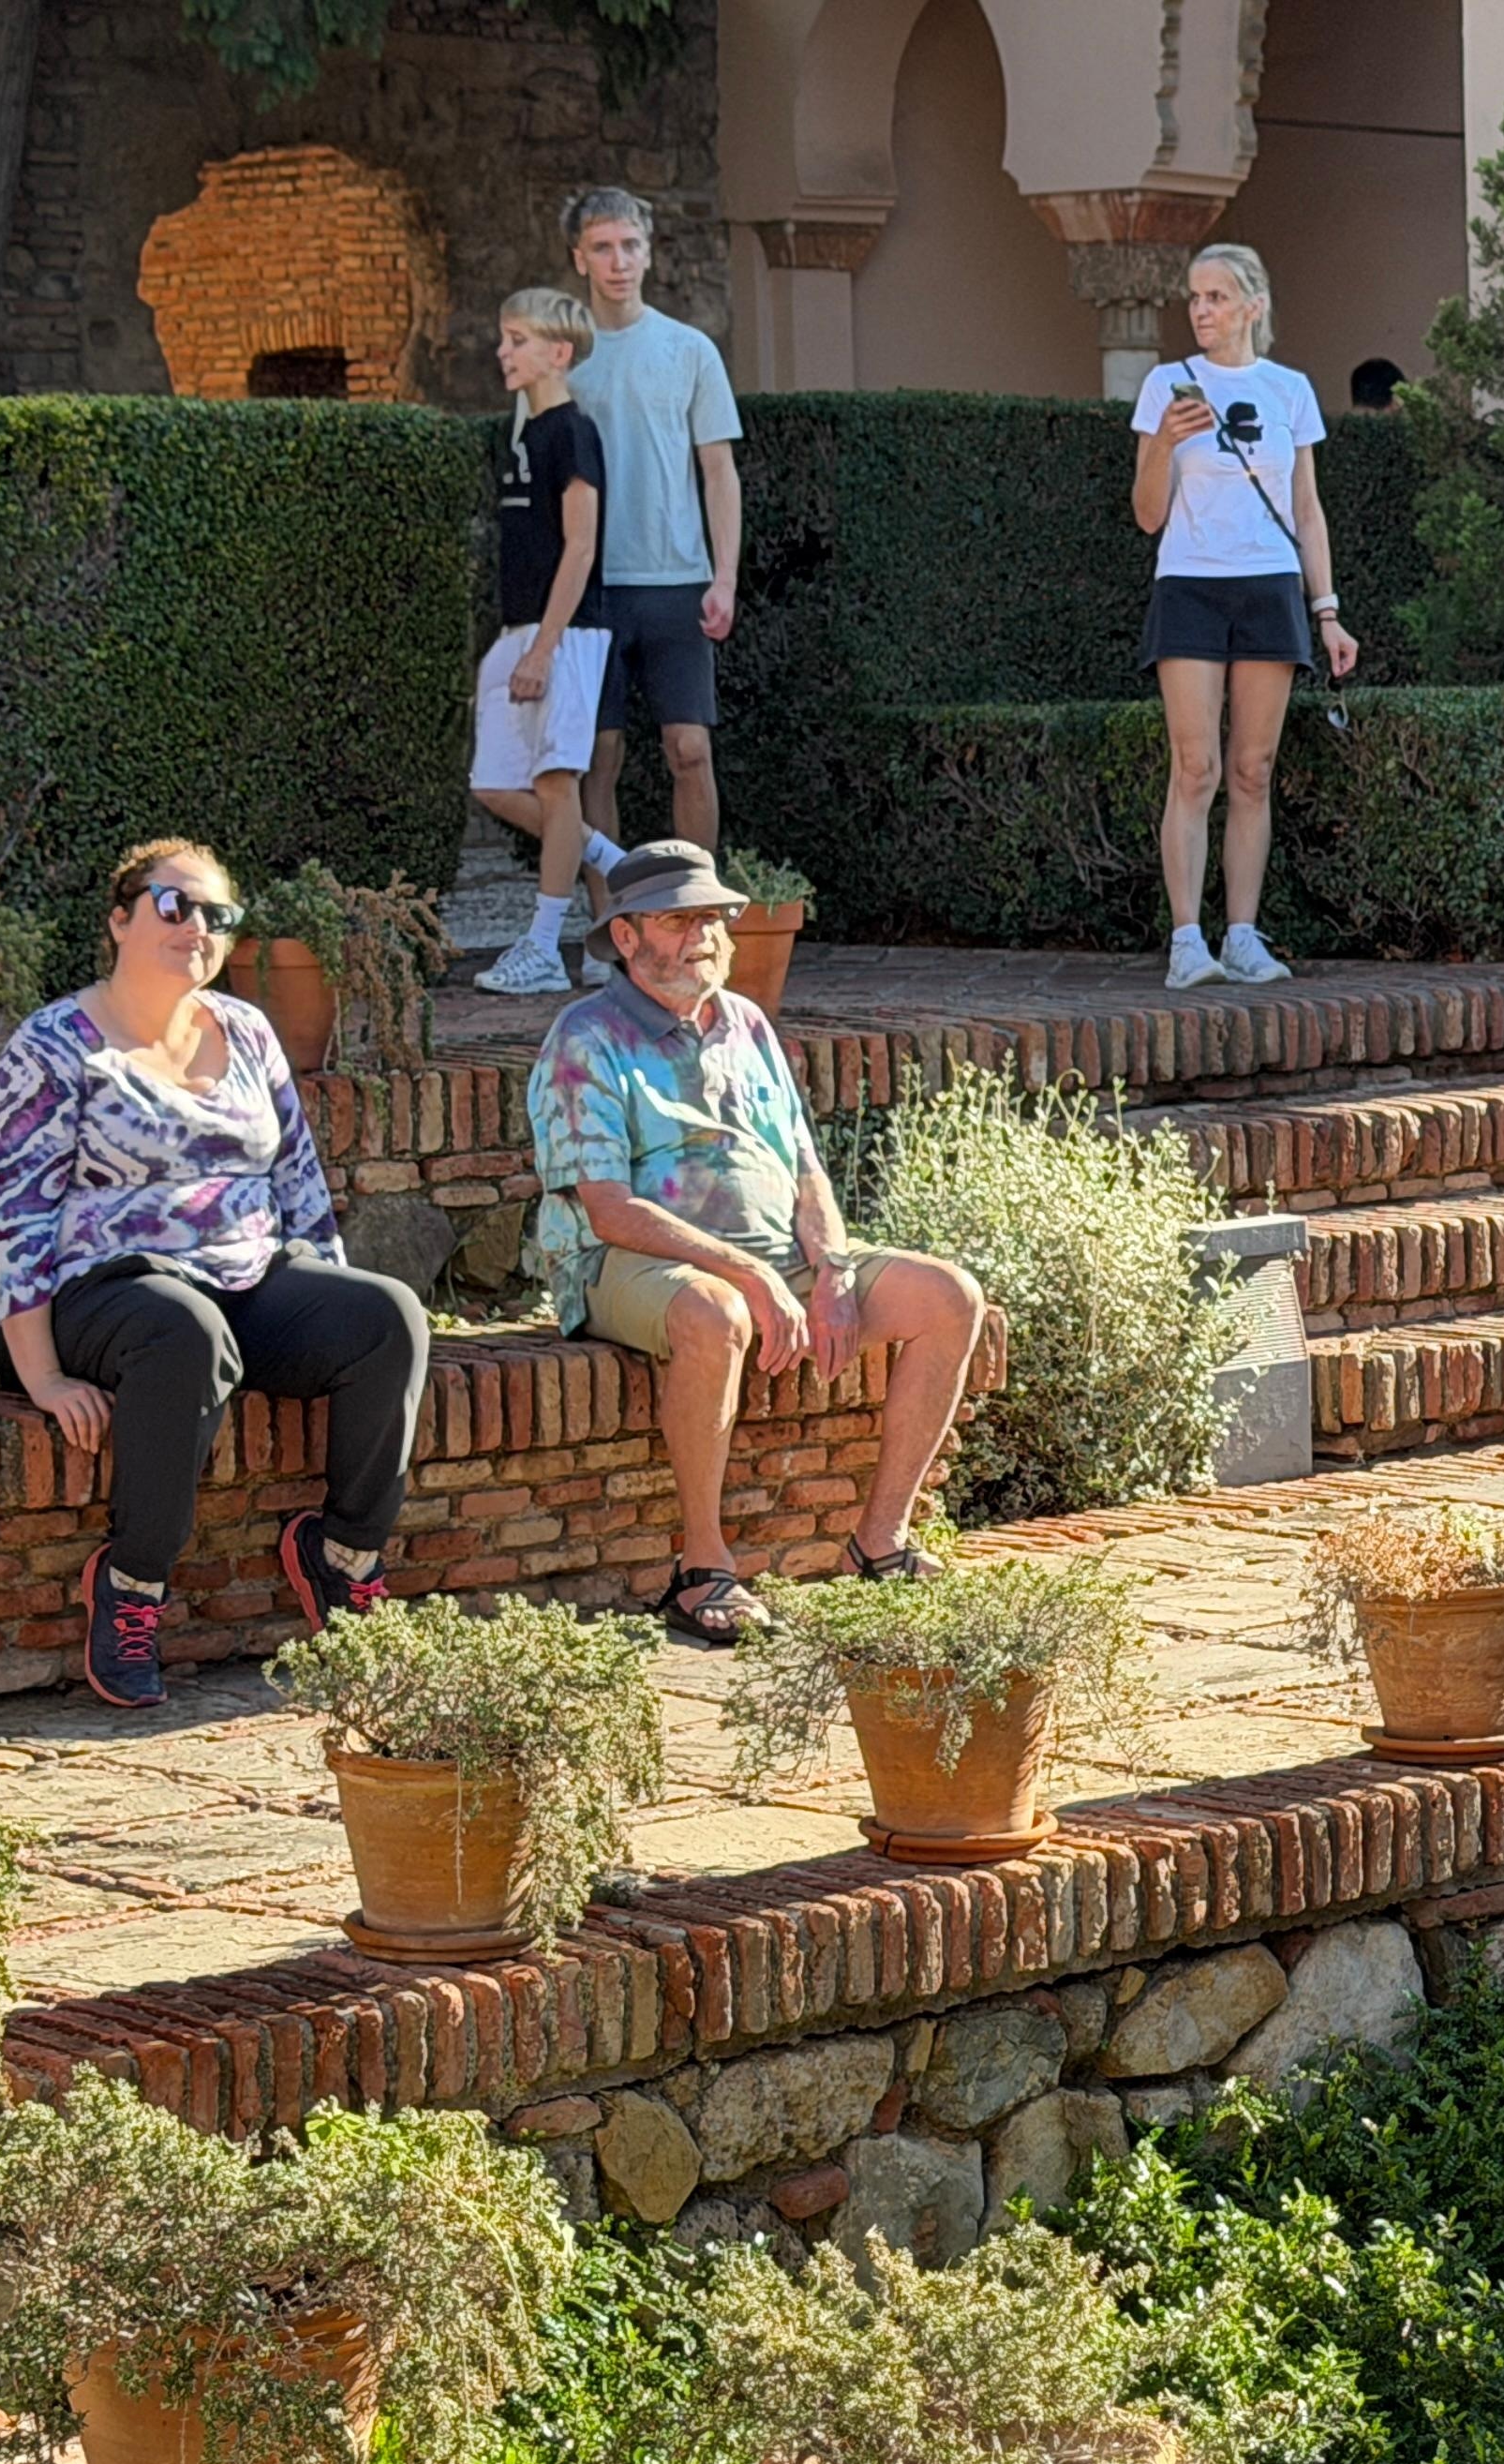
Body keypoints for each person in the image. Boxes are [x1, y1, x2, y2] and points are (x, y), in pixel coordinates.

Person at [0, 842, 432, 1710]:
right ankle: (133, 1586)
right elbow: (14, 1216)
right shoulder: (56, 1047)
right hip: (93, 1292)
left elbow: (297, 1177)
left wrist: (322, 1297)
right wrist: (39, 1374)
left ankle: (343, 1557)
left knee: (389, 1316)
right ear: (119, 918)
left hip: (242, 1277)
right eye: (173, 906)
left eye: (218, 916)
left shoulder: (248, 1031)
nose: (198, 928)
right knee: (184, 1329)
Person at [526, 842, 986, 1646]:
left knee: (949, 1297)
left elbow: (803, 1163)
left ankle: (880, 1543)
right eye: (680, 918)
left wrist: (834, 1268)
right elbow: (606, 1208)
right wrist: (749, 1275)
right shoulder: (585, 1037)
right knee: (716, 1314)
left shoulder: (745, 1023)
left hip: (775, 1258)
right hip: (628, 1267)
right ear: (626, 936)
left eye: (712, 917)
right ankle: (702, 1569)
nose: (704, 934)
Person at [1130, 241, 1361, 992]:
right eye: (1194, 298)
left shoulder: (1288, 389)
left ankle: (1242, 936)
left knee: (1253, 770)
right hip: (1190, 585)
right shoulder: (1166, 383)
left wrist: (1326, 611)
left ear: (1252, 307)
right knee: (1194, 768)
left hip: (1270, 588)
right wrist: (1163, 442)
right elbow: (1145, 515)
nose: (1200, 311)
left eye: (1216, 298)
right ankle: (1186, 941)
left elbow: (1306, 509)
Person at [563, 187, 742, 983]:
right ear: (580, 259)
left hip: (676, 578)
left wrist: (725, 575)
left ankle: (692, 916)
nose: (618, 262)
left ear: (648, 253)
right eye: (602, 248)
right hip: (592, 586)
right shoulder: (559, 353)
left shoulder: (689, 351)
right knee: (597, 759)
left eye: (629, 246)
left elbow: (719, 470)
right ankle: (615, 932)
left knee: (689, 750)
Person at [469, 286, 636, 997]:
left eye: (517, 339)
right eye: (504, 338)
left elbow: (581, 548)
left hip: (564, 635)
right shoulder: (522, 435)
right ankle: (624, 868)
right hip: (520, 631)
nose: (503, 352)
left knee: (555, 784)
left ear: (557, 352)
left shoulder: (573, 432)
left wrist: (544, 648)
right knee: (493, 784)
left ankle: (542, 946)